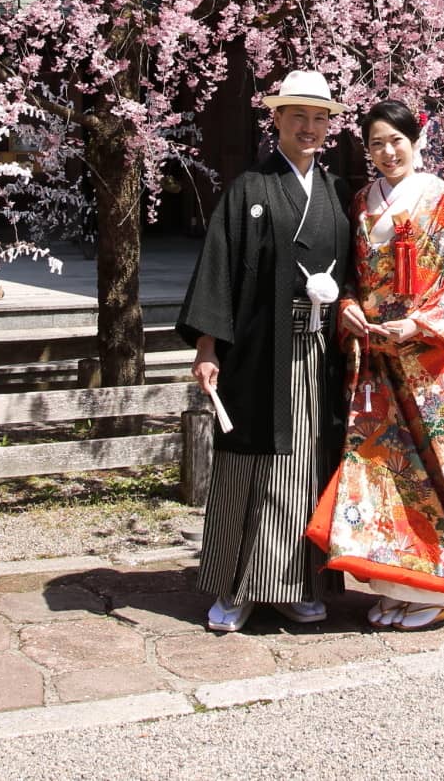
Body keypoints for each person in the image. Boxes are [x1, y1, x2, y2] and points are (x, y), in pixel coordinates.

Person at [309, 99, 444, 631]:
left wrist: (415, 326)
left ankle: (436, 592)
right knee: (381, 472)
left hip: (432, 364)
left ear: (417, 140)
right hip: (375, 357)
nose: (388, 152)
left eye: (397, 140)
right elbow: (349, 275)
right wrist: (347, 308)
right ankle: (398, 588)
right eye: (376, 143)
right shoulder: (360, 203)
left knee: (434, 472)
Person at [179, 69, 352, 633]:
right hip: (258, 354)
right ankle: (237, 587)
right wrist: (208, 347)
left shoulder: (330, 190)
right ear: (275, 119)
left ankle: (298, 583)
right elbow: (219, 269)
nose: (309, 127)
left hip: (317, 351)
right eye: (297, 115)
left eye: (319, 117)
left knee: (309, 464)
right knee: (251, 464)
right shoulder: (250, 188)